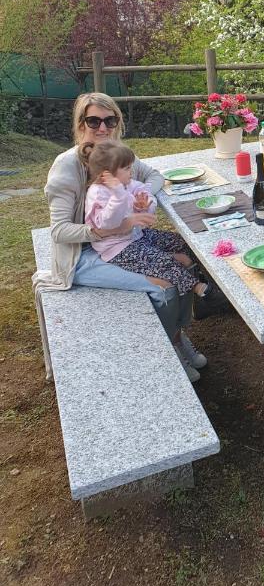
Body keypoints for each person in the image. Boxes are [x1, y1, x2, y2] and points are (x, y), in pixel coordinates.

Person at [32, 92, 206, 382]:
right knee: (165, 287)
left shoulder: (116, 155)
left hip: (127, 240)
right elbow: (59, 231)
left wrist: (140, 195)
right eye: (94, 121)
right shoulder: (66, 165)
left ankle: (177, 336)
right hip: (83, 255)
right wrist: (117, 226)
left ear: (117, 122)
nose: (102, 128)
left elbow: (155, 176)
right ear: (80, 124)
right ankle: (167, 351)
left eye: (109, 120)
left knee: (188, 257)